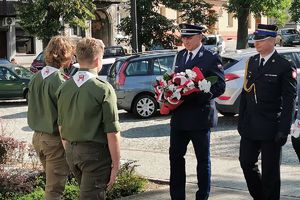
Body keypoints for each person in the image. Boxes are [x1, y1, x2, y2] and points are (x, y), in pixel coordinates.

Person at [238, 24, 297, 200]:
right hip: (250, 126)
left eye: (261, 40)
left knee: (270, 171)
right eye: (256, 39)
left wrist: (283, 129)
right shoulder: (252, 62)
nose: (256, 43)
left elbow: (289, 100)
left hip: (271, 126)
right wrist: (241, 121)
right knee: (246, 163)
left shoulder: (284, 65)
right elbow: (245, 94)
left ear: (272, 40)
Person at [56, 37, 120, 200]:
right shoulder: (103, 88)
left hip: (71, 151)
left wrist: (70, 150)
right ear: (98, 60)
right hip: (94, 154)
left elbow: (61, 125)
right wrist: (116, 165)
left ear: (77, 58)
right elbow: (112, 132)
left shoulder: (64, 87)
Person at [169, 23, 225, 200]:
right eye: (183, 38)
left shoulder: (210, 57)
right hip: (179, 116)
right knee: (175, 157)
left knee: (202, 160)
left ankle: (202, 196)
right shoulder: (180, 55)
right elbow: (174, 80)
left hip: (199, 115)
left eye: (189, 37)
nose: (185, 41)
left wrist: (201, 93)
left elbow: (220, 85)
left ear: (200, 37)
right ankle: (177, 196)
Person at [27, 36, 74, 200]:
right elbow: (65, 118)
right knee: (54, 190)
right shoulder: (60, 81)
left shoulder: (36, 78)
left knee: (51, 185)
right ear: (65, 55)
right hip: (54, 140)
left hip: (38, 138)